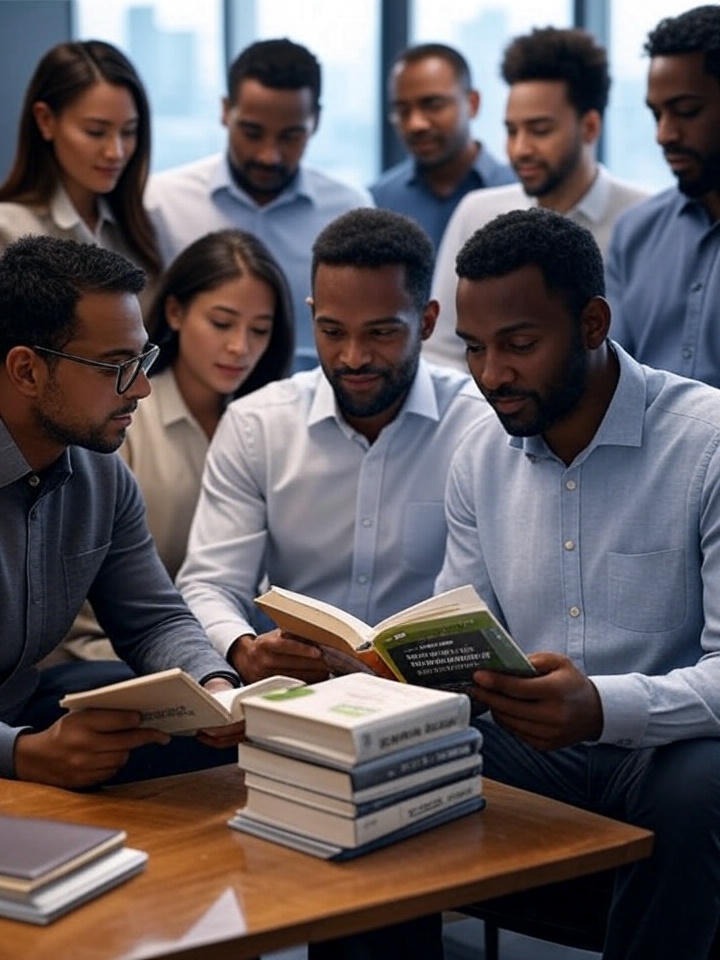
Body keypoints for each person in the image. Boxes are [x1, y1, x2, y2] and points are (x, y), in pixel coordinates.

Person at [435, 207, 720, 960]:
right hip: (530, 746)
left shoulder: (707, 442)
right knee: (376, 758)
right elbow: (460, 629)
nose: (492, 374)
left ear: (593, 323)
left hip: (665, 750)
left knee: (700, 779)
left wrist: (600, 707)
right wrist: (381, 675)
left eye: (519, 345)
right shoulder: (477, 457)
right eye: (473, 349)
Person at [176, 207, 483, 691]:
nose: (354, 357)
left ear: (427, 321)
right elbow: (210, 582)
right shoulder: (258, 425)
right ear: (312, 313)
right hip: (294, 697)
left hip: (436, 699)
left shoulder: (480, 426)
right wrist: (244, 649)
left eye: (381, 332)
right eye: (332, 331)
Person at [0, 234, 244, 790]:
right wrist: (20, 754)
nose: (140, 389)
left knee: (217, 745)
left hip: (22, 705)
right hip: (16, 736)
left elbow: (153, 617)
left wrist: (214, 688)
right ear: (26, 370)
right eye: (115, 365)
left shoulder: (100, 470)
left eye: (142, 360)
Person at [61, 228, 294, 662]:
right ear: (175, 311)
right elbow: (84, 611)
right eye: (221, 323)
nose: (239, 347)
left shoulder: (270, 427)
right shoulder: (116, 420)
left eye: (260, 330)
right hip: (114, 657)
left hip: (225, 651)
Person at [427, 26, 648, 371]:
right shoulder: (478, 212)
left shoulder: (643, 221)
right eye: (512, 131)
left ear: (590, 127)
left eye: (540, 130)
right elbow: (441, 353)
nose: (520, 149)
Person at [146, 38, 372, 371]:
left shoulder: (351, 212)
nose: (269, 155)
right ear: (225, 111)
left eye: (290, 136)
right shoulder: (161, 203)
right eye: (252, 133)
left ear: (317, 122)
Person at [0, 40, 160, 313]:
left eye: (129, 132)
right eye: (96, 132)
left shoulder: (140, 227)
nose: (116, 152)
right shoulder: (7, 229)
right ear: (45, 120)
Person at [606, 5, 720, 387]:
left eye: (686, 111)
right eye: (657, 115)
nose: (664, 135)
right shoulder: (635, 234)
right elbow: (613, 384)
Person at [369, 42, 515, 251]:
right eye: (402, 111)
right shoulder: (378, 201)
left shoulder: (518, 191)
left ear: (472, 103)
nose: (416, 123)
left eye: (433, 105)